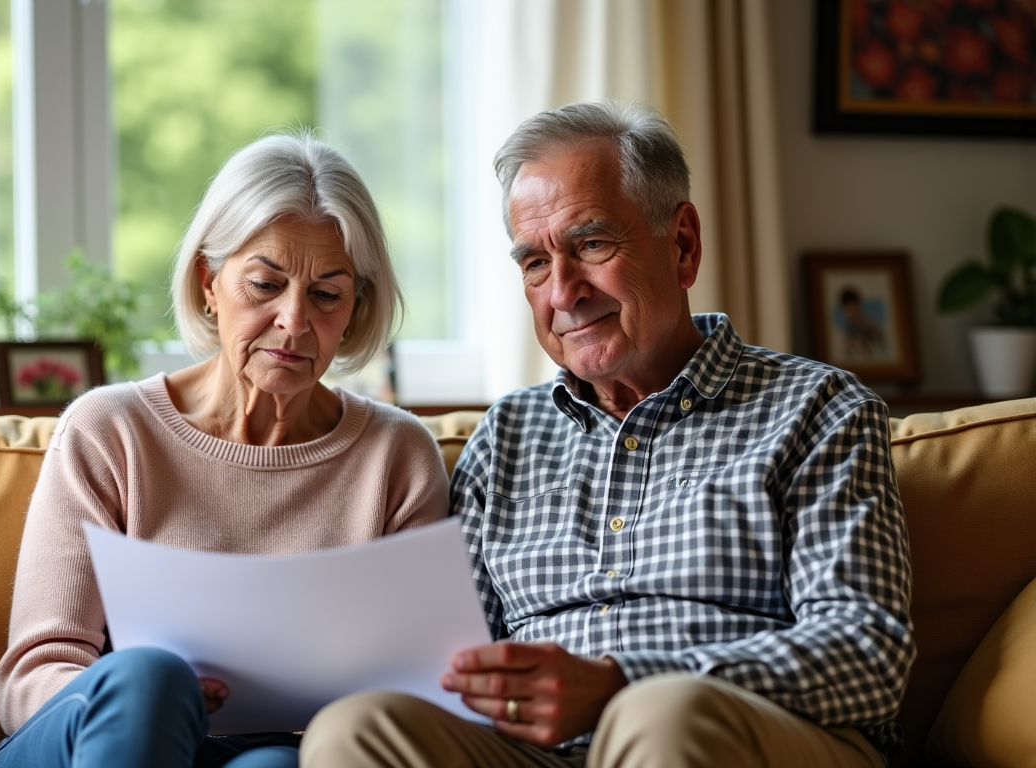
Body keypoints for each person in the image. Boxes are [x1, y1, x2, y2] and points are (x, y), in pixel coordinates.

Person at [300, 101, 914, 768]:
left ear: (682, 245)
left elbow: (867, 650)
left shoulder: (817, 409)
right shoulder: (504, 437)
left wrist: (625, 683)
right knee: (357, 729)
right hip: (538, 753)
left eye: (591, 245)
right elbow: (449, 660)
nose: (562, 291)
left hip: (746, 735)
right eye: (534, 262)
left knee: (662, 714)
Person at [0, 133, 451, 768]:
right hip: (101, 741)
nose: (294, 320)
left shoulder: (397, 456)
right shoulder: (109, 431)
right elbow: (34, 675)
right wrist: (158, 704)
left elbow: (412, 690)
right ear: (210, 281)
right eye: (265, 284)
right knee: (151, 680)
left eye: (326, 295)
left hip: (274, 751)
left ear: (354, 309)